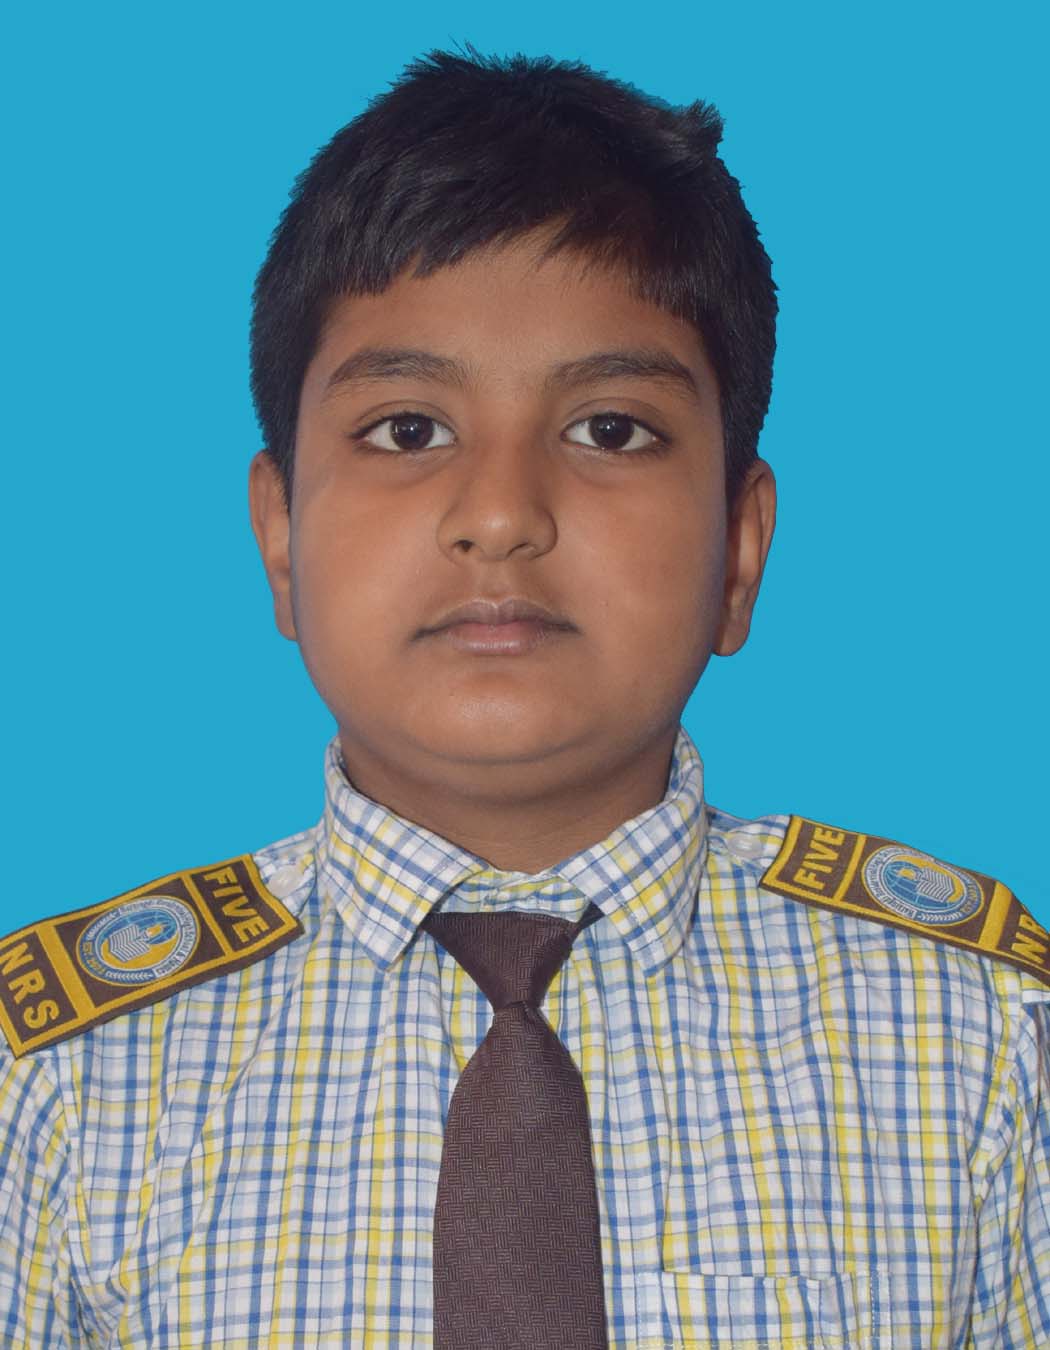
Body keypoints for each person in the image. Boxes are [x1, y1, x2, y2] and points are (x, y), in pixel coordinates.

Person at [0, 45, 1047, 1349]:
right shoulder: (61, 1077)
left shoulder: (978, 1039)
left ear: (739, 548)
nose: (500, 514)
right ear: (280, 538)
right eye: (407, 430)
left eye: (609, 429)